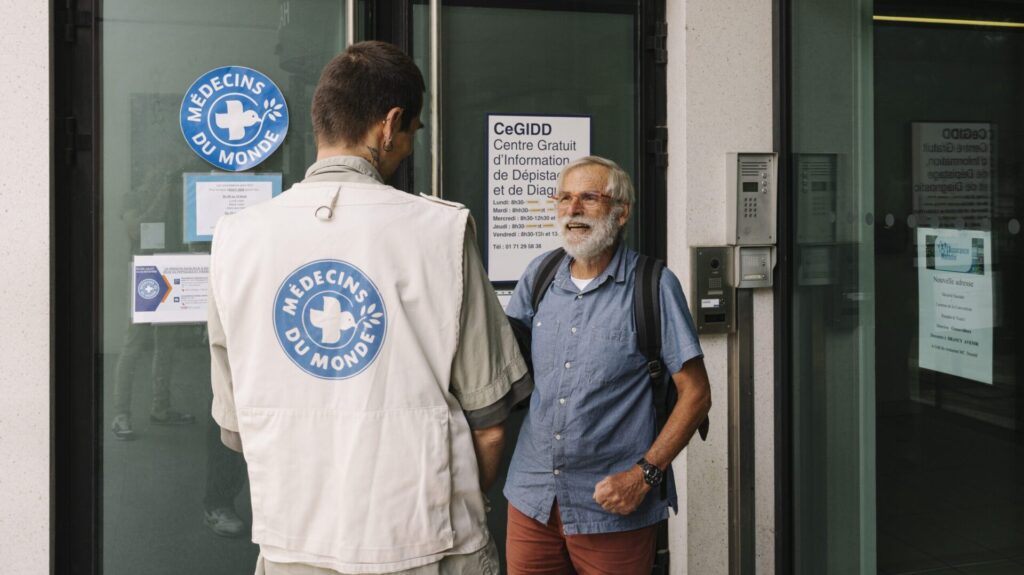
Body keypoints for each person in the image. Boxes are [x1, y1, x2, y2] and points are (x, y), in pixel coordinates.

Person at [207, 41, 530, 575]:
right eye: (412, 134)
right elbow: (490, 423)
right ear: (390, 124)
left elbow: (237, 427)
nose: (406, 148)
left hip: (295, 545)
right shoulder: (441, 232)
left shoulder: (236, 239)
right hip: (429, 544)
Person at [503, 156, 713, 574]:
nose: (572, 209)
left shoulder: (652, 285)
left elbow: (697, 394)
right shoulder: (540, 275)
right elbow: (502, 363)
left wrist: (644, 476)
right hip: (533, 497)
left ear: (621, 212)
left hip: (614, 506)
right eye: (564, 198)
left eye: (588, 198)